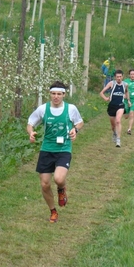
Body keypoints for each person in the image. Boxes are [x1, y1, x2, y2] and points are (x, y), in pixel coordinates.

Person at [27, 81, 84, 223]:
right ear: (50, 94)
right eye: (53, 94)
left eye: (59, 94)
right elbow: (30, 122)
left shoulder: (71, 108)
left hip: (64, 149)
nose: (56, 97)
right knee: (45, 184)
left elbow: (79, 122)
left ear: (64, 94)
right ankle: (53, 211)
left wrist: (75, 130)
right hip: (46, 149)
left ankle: (61, 189)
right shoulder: (43, 109)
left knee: (58, 179)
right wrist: (31, 133)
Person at [100, 70, 131, 148]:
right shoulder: (112, 83)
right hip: (112, 106)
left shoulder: (125, 85)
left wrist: (128, 100)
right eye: (117, 77)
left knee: (118, 121)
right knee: (113, 125)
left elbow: (127, 92)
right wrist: (105, 98)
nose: (119, 78)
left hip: (120, 105)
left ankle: (118, 139)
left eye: (120, 77)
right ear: (115, 77)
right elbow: (101, 92)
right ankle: (114, 133)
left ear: (122, 77)